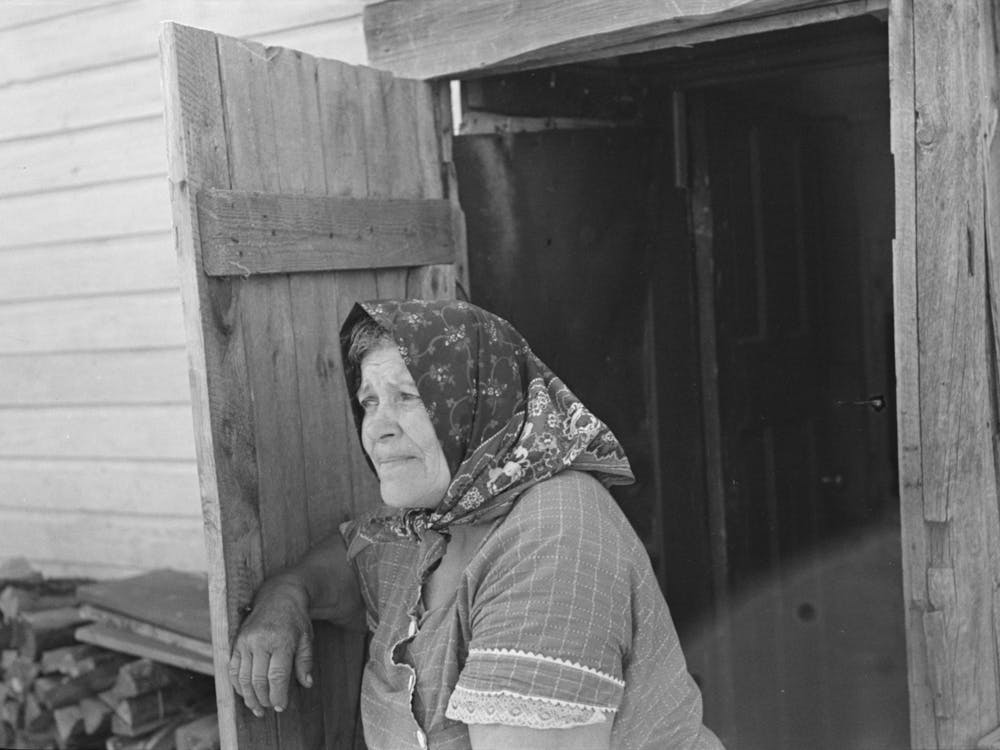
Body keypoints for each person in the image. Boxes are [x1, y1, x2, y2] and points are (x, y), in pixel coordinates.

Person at [229, 299, 724, 750]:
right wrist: (286, 595)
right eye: (369, 401)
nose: (378, 427)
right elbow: (351, 563)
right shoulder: (434, 522)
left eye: (408, 396)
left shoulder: (555, 533)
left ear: (480, 404)